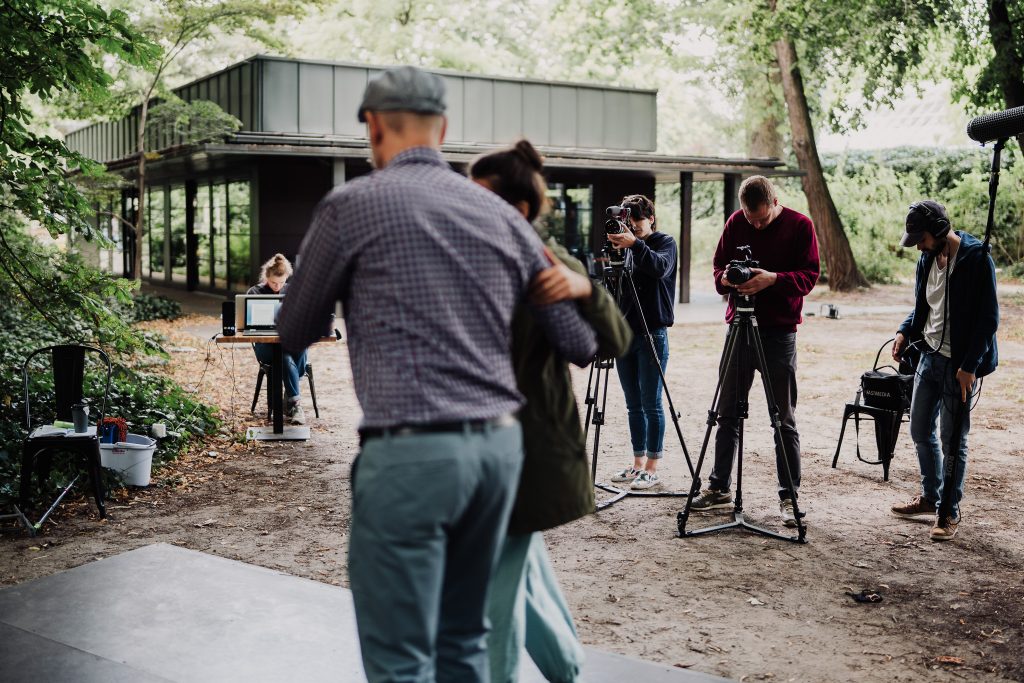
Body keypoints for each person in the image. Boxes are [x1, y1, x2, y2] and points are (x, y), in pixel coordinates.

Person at [276, 66, 598, 683]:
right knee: (465, 643)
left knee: (401, 659)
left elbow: (293, 331)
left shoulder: (351, 207)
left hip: (412, 455)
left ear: (372, 126)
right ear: (443, 129)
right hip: (501, 453)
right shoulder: (499, 214)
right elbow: (577, 342)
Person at [469, 140, 632, 683]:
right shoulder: (464, 257)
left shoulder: (546, 262)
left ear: (516, 209)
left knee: (494, 592)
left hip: (528, 451)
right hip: (476, 449)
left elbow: (608, 345)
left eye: (479, 195)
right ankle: (566, 668)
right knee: (521, 574)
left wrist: (588, 287)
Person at [690, 175, 819, 527]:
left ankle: (789, 496)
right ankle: (719, 488)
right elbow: (717, 268)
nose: (756, 224)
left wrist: (772, 279)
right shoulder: (736, 222)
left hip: (779, 333)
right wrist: (727, 281)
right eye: (751, 219)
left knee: (783, 417)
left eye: (761, 219)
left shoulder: (800, 225)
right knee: (726, 410)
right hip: (739, 328)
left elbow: (809, 276)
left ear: (775, 201)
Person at [890, 200, 998, 542]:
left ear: (937, 230)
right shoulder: (926, 258)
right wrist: (905, 330)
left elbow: (988, 319)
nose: (918, 246)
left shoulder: (977, 258)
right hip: (929, 357)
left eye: (920, 238)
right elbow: (923, 306)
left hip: (959, 365)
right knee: (921, 430)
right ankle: (930, 497)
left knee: (953, 440)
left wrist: (969, 367)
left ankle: (948, 510)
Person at [605, 194, 678, 490]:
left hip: (653, 332)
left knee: (651, 403)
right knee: (633, 404)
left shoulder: (664, 242)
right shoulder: (625, 247)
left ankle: (652, 467)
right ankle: (637, 465)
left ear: (651, 219)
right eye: (629, 219)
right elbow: (615, 285)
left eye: (637, 218)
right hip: (626, 332)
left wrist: (635, 245)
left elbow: (660, 267)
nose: (633, 224)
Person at [248, 253, 308, 425]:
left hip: (288, 341)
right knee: (283, 355)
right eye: (274, 282)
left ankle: (291, 395)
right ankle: (295, 404)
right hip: (265, 345)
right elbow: (246, 324)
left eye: (282, 283)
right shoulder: (255, 292)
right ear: (266, 277)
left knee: (294, 347)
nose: (277, 287)